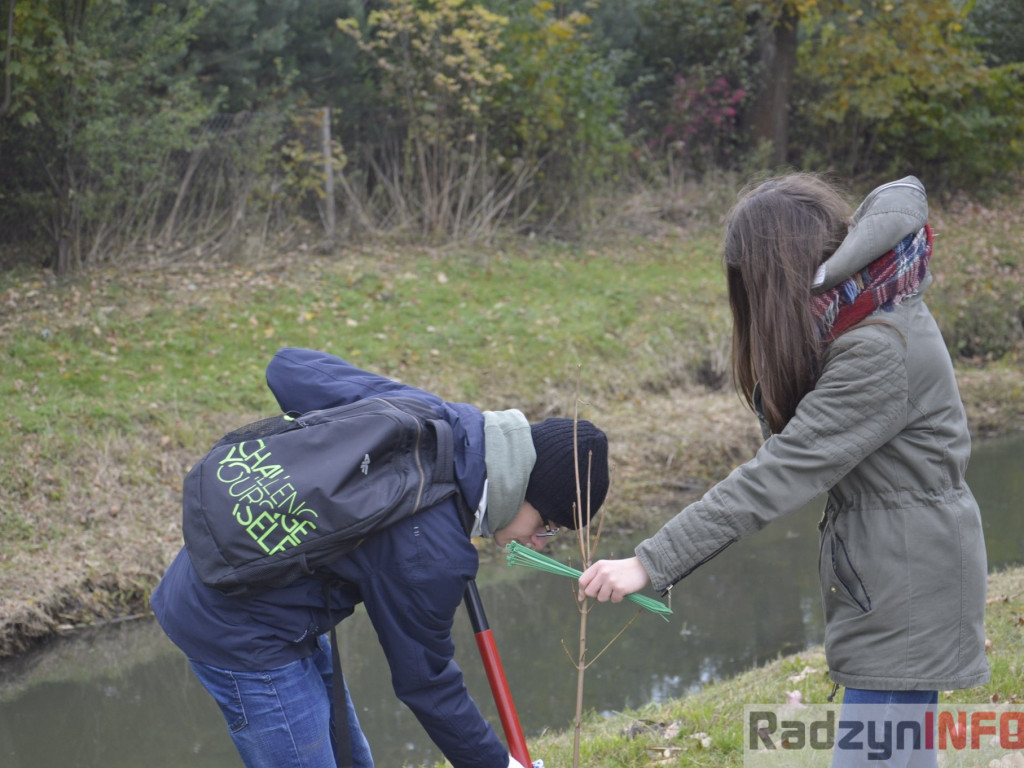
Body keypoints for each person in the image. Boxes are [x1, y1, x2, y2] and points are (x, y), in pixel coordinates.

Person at [578, 175, 989, 767]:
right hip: (900, 577)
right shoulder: (860, 316)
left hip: (908, 590)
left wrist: (650, 561)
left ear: (772, 279)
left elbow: (776, 473)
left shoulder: (875, 350)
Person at [151, 346, 610, 768]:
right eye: (549, 526)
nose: (540, 542)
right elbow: (426, 684)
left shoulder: (434, 419)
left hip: (264, 592)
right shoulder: (431, 552)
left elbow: (290, 367)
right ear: (525, 492)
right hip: (236, 625)